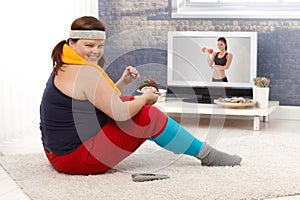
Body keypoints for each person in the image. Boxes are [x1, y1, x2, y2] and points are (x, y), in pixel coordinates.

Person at [39, 16, 242, 175]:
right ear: (72, 43)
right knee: (149, 116)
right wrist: (144, 98)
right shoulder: (86, 72)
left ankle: (175, 139)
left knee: (128, 102)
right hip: (75, 159)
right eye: (89, 45)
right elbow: (118, 113)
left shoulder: (66, 63)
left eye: (100, 46)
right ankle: (207, 155)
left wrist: (124, 82)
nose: (96, 52)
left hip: (58, 154)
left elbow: (100, 101)